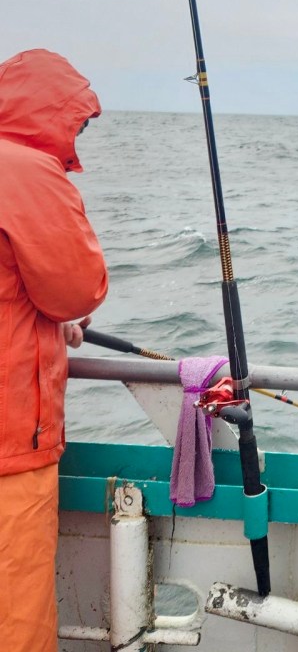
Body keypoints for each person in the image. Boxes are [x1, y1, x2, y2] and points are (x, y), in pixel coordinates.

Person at [0, 49, 108, 652]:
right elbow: (77, 286)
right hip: (10, 448)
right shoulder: (27, 171)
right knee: (16, 625)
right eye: (77, 121)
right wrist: (64, 312)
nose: (77, 136)